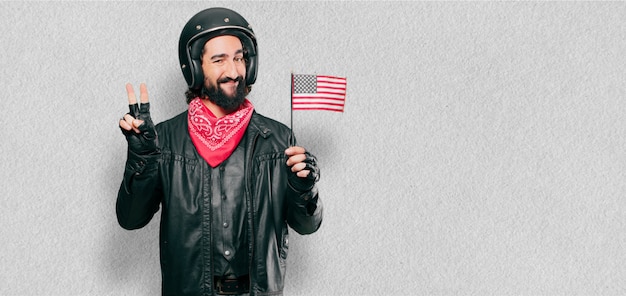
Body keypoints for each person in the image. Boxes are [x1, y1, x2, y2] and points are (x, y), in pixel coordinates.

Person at [116, 7, 323, 296]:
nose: (233, 71)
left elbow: (306, 225)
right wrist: (143, 159)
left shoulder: (278, 139)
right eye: (219, 60)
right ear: (196, 67)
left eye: (239, 58)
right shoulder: (163, 140)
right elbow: (131, 219)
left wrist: (305, 188)